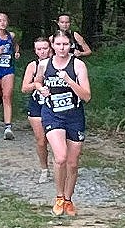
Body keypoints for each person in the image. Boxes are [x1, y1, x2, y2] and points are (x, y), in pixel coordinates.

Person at [37, 32, 91, 217]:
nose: (62, 48)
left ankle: (68, 200)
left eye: (66, 44)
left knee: (73, 163)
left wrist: (69, 80)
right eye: (58, 44)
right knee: (60, 157)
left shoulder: (78, 65)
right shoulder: (44, 64)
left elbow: (86, 96)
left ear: (71, 46)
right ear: (53, 45)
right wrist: (41, 89)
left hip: (74, 116)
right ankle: (59, 197)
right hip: (52, 115)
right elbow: (37, 82)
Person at [19, 37, 54, 184]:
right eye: (39, 49)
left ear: (50, 48)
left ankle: (62, 167)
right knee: (41, 140)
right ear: (35, 51)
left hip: (55, 105)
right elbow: (24, 88)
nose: (42, 51)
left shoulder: (58, 63)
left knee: (57, 139)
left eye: (45, 48)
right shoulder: (33, 65)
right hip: (37, 105)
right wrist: (37, 84)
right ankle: (44, 169)